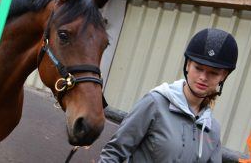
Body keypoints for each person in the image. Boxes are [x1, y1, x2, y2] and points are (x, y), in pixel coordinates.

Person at [99, 28, 238, 163]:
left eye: (213, 73)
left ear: (223, 76)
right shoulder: (154, 103)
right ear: (188, 65)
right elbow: (113, 153)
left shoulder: (212, 128)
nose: (203, 77)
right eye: (198, 68)